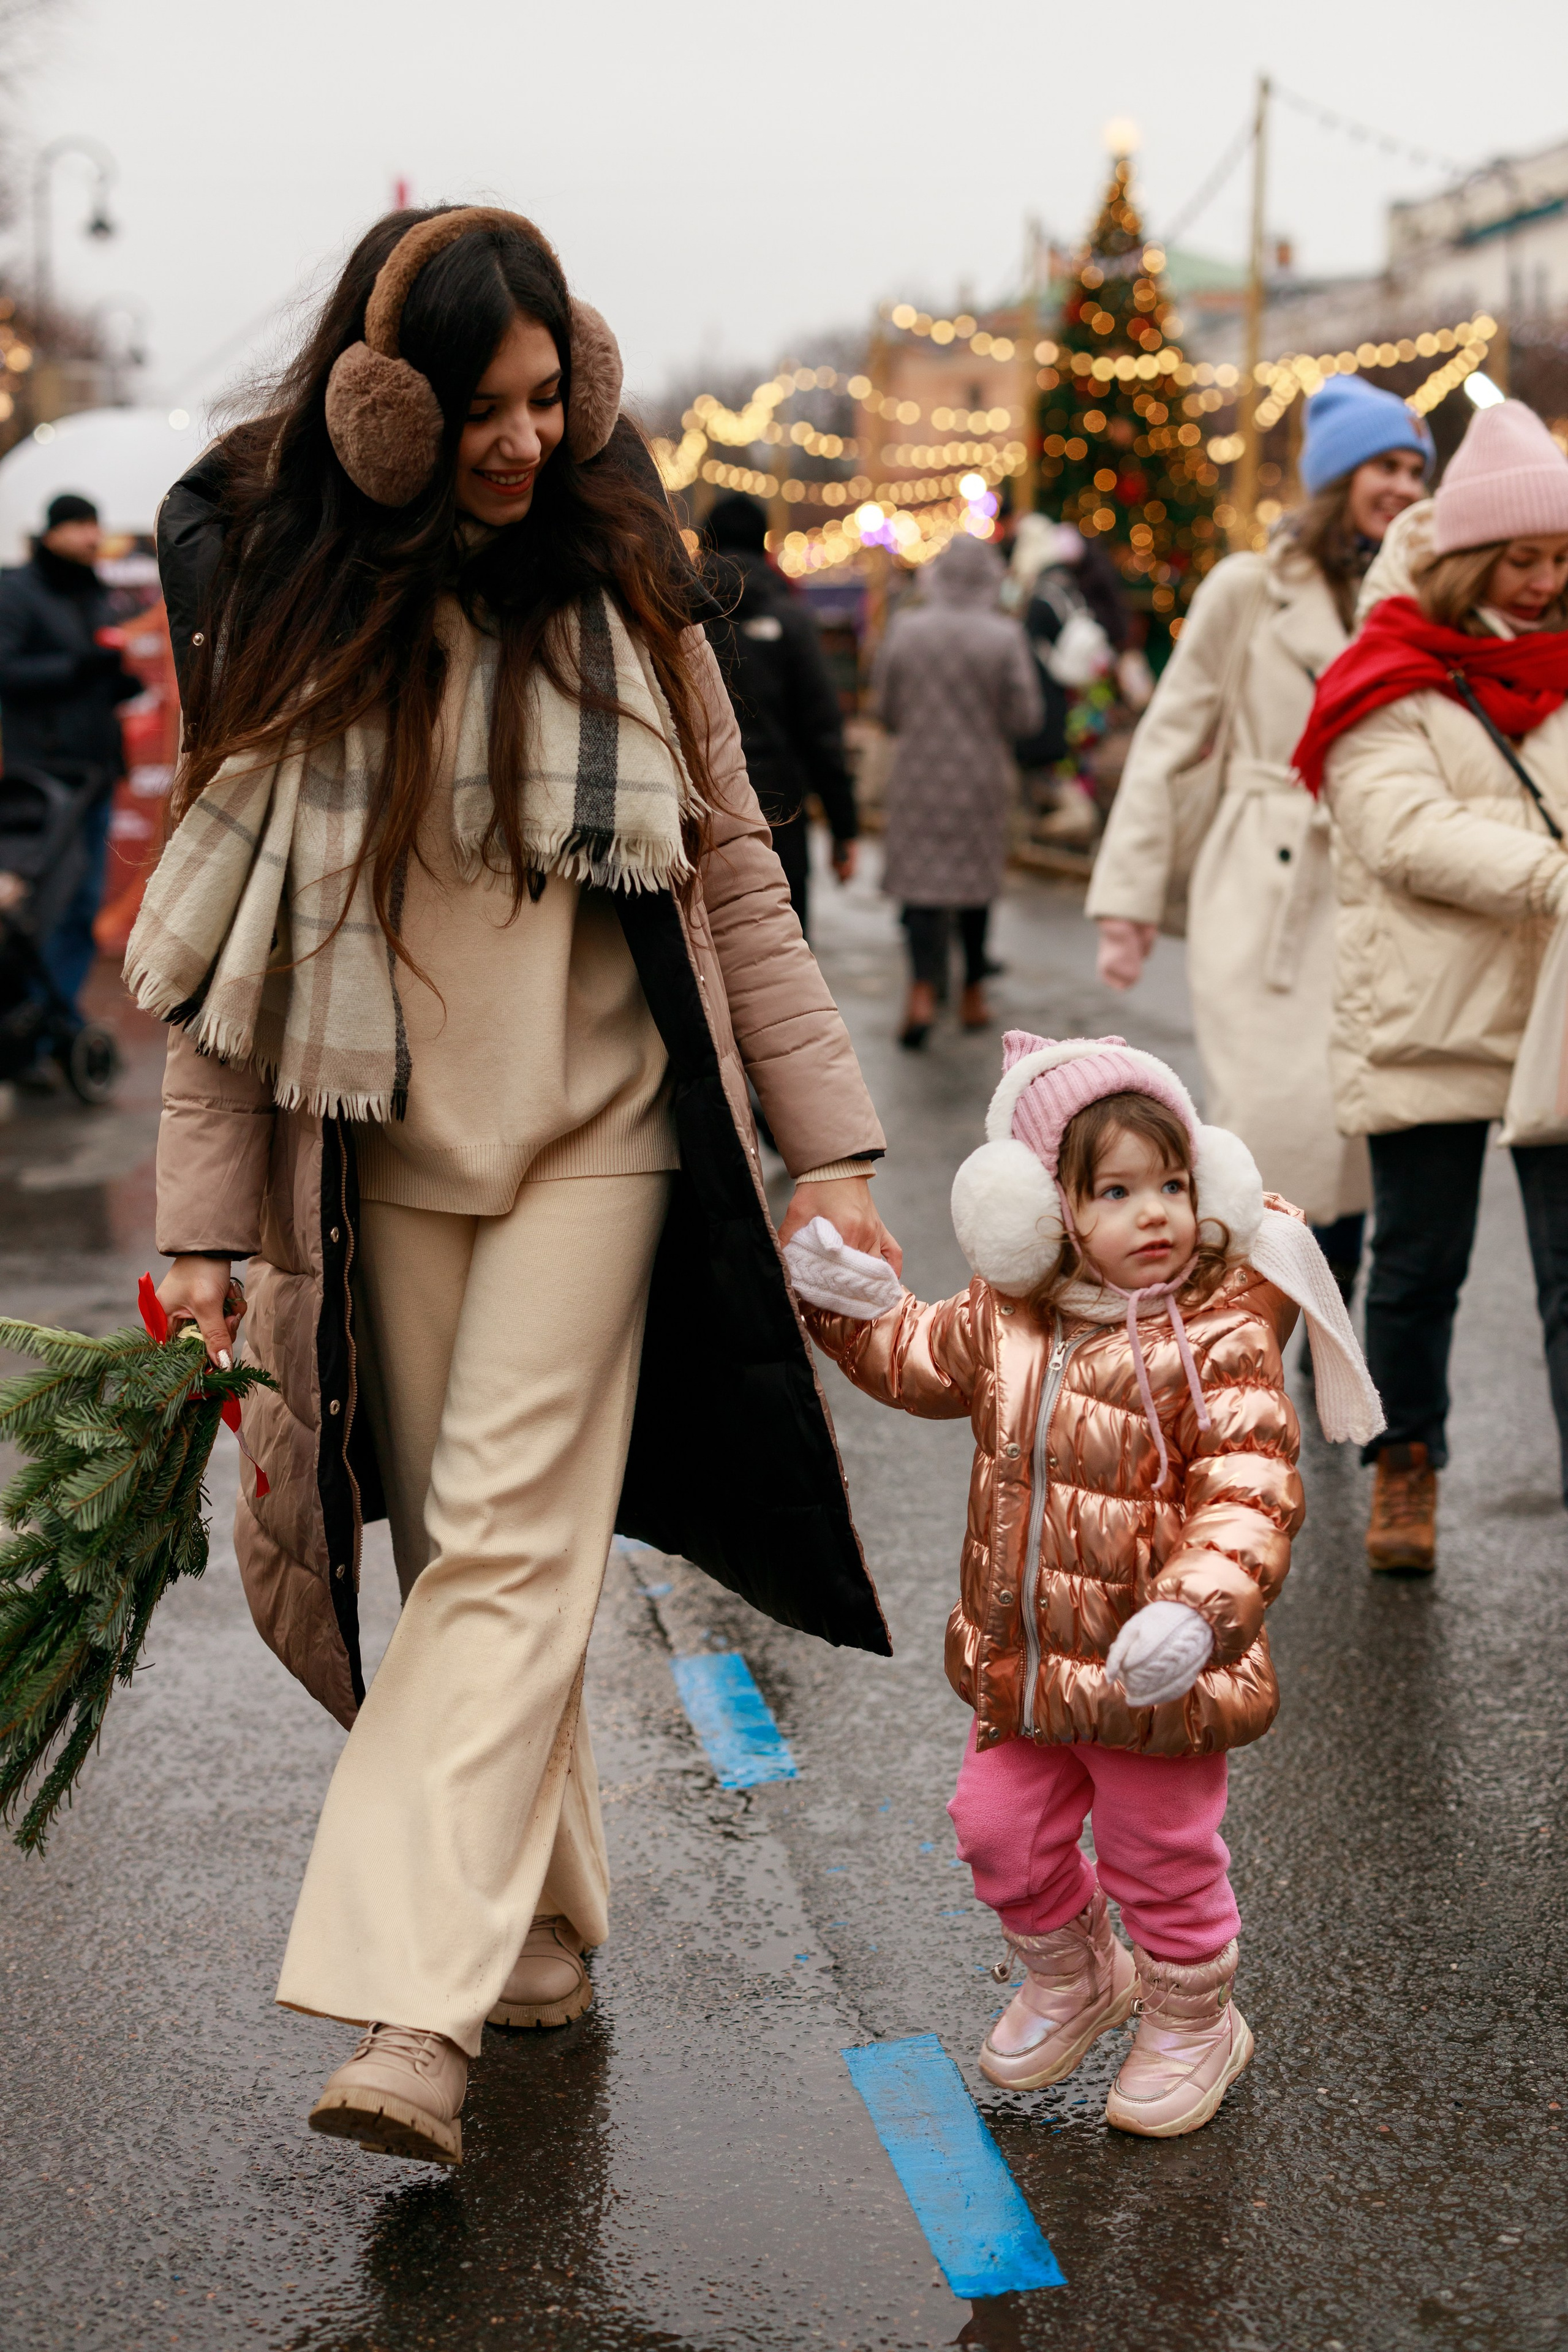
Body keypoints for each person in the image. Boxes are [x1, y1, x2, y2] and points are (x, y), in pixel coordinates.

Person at [127, 205, 901, 2168]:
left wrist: (832, 1151)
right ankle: (541, 1927)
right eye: (479, 407)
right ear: (382, 414)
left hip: (604, 1139)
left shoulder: (635, 600)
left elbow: (735, 875)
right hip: (385, 1160)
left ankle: (416, 2006)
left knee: (497, 1551)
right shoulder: (306, 620)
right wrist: (209, 1226)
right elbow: (231, 962)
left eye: (550, 397)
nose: (523, 440)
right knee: (465, 1552)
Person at [785, 1031, 1380, 2136]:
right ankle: (1077, 1975)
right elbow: (913, 1357)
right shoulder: (1009, 1315)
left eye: (1171, 1182)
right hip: (1025, 1669)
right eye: (1114, 1190)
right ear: (1048, 1209)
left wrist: (1196, 1612)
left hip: (1158, 1674)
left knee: (1161, 1858)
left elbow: (1250, 1486)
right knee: (995, 1829)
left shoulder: (1220, 1330)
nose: (1151, 1211)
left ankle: (1195, 2019)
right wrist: (846, 1304)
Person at [1087, 377, 1434, 1300]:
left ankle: (1334, 1329)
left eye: (1416, 468)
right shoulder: (1249, 588)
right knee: (1273, 1118)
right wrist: (1128, 901)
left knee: (1362, 1124)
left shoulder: (1424, 597)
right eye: (1384, 465)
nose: (1402, 485)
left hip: (1380, 883)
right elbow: (1166, 739)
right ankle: (1252, 1337)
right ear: (1338, 475)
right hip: (1263, 875)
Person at [1294, 398, 1568, 1570]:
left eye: (1562, 557)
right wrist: (1557, 878)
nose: (1545, 582)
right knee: (1417, 1262)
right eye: (1522, 558)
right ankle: (1406, 1464)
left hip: (1554, 1008)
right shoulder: (1388, 665)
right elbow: (1401, 828)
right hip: (1432, 1002)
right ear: (1466, 555)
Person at [873, 533, 1041, 1047]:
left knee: (923, 888)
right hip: (981, 780)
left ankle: (922, 992)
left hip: (918, 776)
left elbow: (885, 709)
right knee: (975, 885)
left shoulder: (906, 627)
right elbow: (1027, 716)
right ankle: (972, 994)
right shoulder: (1005, 636)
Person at [0, 492, 140, 1028]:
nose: (90, 537)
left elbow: (91, 675)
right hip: (44, 781)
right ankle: (31, 1025)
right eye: (79, 525)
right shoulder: (18, 591)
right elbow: (7, 672)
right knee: (42, 911)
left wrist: (116, 682)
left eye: (94, 526)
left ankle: (52, 1023)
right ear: (52, 532)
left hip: (94, 774)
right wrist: (79, 667)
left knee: (81, 909)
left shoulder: (94, 593)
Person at [699, 491, 858, 937]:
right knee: (779, 950)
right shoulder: (792, 621)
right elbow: (821, 729)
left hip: (695, 814)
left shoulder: (673, 615)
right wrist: (844, 829)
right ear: (765, 546)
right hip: (777, 815)